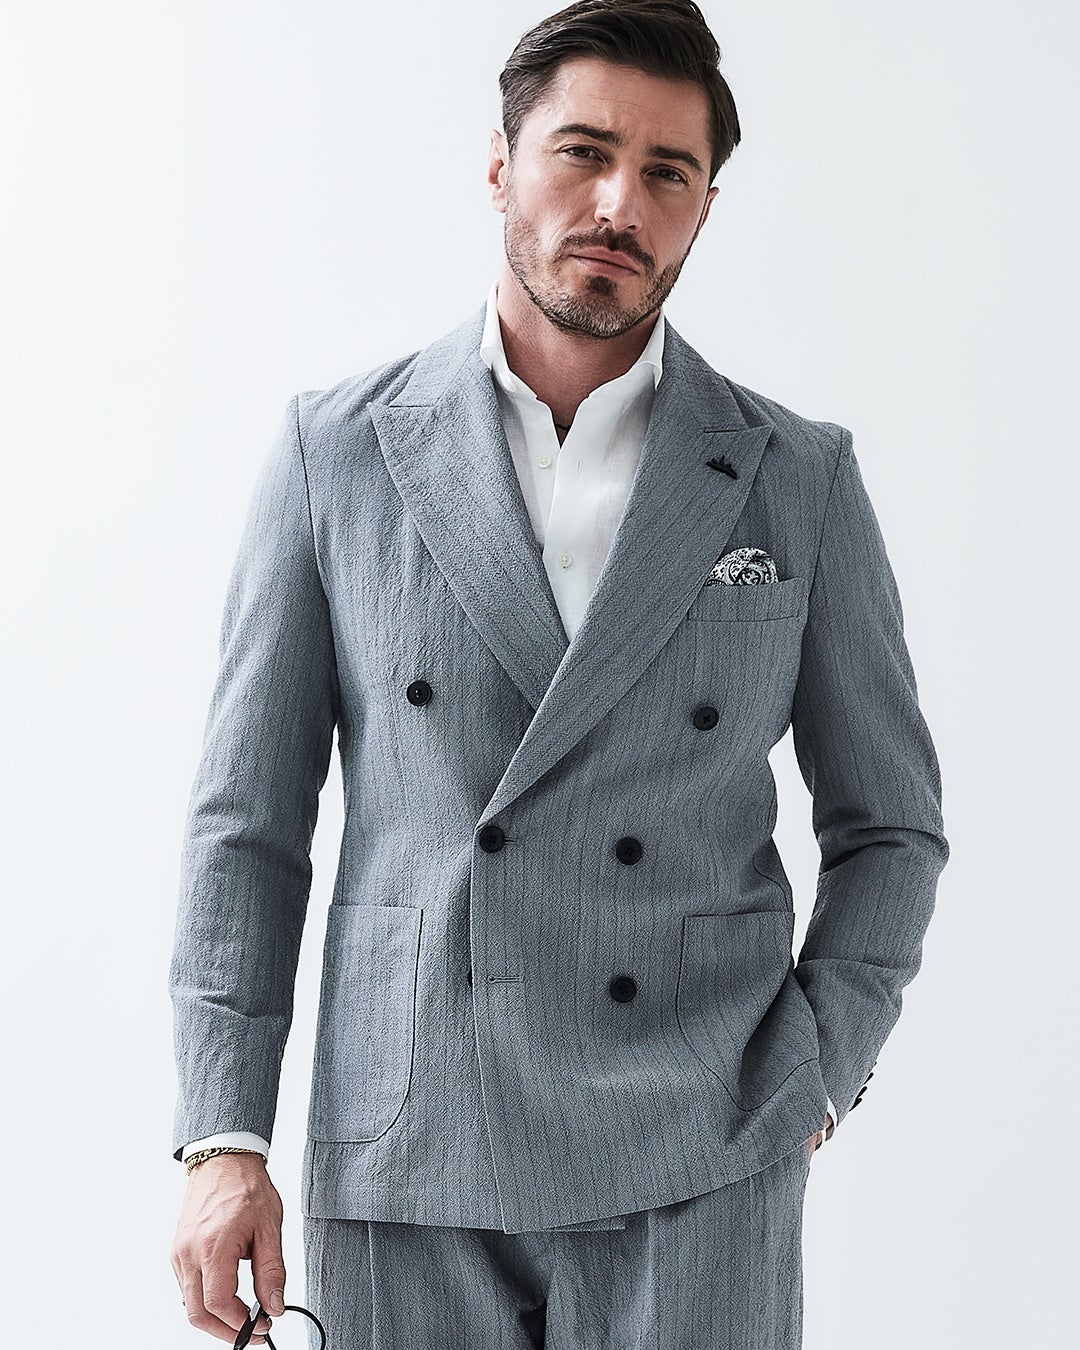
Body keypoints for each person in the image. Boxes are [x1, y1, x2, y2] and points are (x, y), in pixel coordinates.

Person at [168, 2, 949, 1346]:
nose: (618, 203)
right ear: (499, 165)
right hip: (411, 1141)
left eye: (666, 172)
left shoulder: (797, 478)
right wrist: (222, 1135)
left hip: (703, 1145)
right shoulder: (337, 454)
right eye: (582, 151)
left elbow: (891, 825)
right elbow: (249, 825)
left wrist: (820, 1069)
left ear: (705, 209)